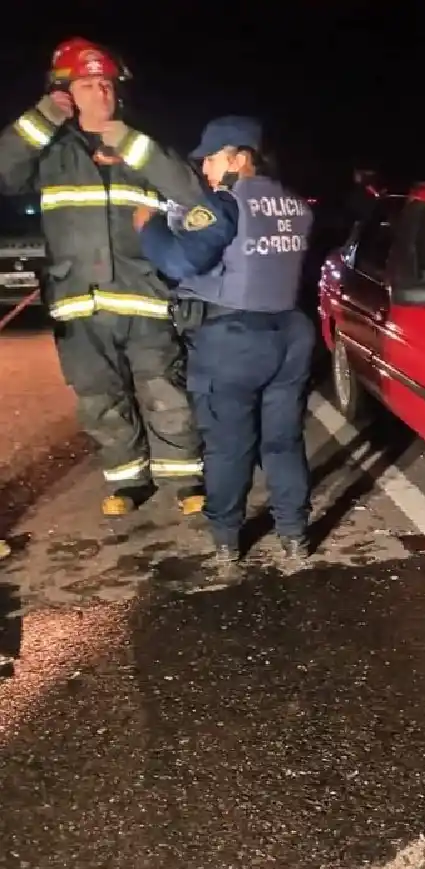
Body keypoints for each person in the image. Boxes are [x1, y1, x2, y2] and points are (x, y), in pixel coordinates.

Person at [0, 37, 205, 516]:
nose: (102, 93)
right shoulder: (51, 153)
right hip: (77, 301)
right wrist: (42, 119)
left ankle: (184, 478)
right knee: (99, 398)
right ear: (65, 94)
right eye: (90, 84)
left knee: (164, 390)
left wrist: (130, 143)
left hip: (143, 297)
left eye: (107, 85)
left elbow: (189, 190)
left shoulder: (141, 146)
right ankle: (127, 479)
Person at [122, 116, 316, 563]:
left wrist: (148, 226)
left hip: (233, 339)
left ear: (239, 157)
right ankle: (294, 533)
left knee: (229, 445)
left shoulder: (225, 203)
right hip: (290, 334)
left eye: (210, 158)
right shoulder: (295, 204)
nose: (204, 169)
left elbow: (179, 261)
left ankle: (227, 538)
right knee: (283, 442)